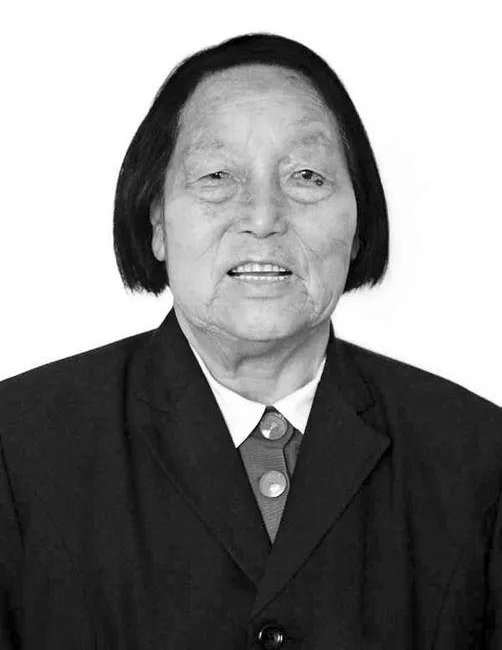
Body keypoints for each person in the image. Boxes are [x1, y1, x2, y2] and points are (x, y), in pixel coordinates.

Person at [0, 32, 500, 649]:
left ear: (358, 222)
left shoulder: (479, 456)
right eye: (217, 176)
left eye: (307, 176)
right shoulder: (17, 448)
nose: (263, 218)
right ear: (157, 222)